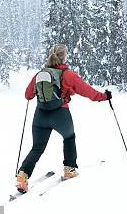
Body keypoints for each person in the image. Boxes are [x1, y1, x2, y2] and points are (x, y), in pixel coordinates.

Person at [15, 44, 111, 193]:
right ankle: (69, 169)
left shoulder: (40, 74)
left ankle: (22, 175)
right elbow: (88, 92)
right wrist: (104, 97)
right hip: (60, 114)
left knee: (37, 147)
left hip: (40, 116)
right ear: (64, 57)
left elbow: (28, 95)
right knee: (69, 137)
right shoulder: (68, 75)